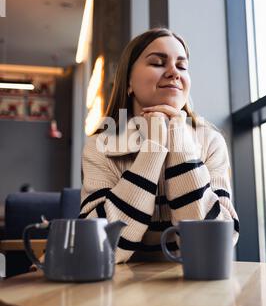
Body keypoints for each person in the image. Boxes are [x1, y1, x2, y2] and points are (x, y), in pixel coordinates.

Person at [80, 27, 240, 263]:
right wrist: (153, 147)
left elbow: (214, 245)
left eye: (182, 66)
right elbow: (99, 247)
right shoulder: (99, 146)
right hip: (119, 291)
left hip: (194, 287)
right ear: (128, 82)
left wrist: (176, 135)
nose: (174, 72)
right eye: (157, 62)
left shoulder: (210, 142)